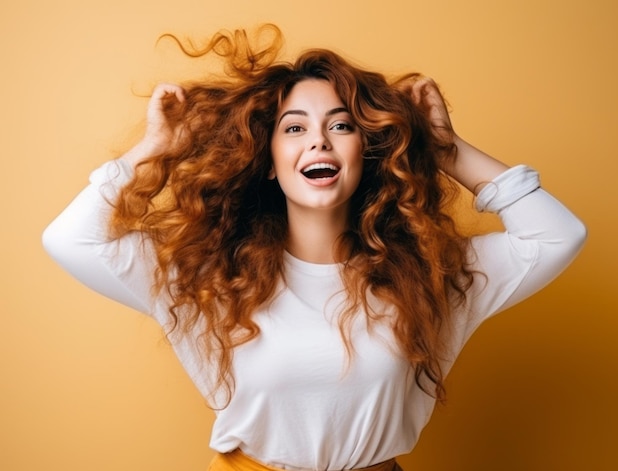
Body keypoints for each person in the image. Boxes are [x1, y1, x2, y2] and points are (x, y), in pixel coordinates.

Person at [42, 24, 586, 471]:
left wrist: (447, 149)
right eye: (294, 128)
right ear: (268, 158)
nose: (318, 141)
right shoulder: (204, 273)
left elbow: (558, 235)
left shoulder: (432, 272)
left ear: (367, 152)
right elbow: (69, 239)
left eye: (340, 125)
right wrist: (155, 149)